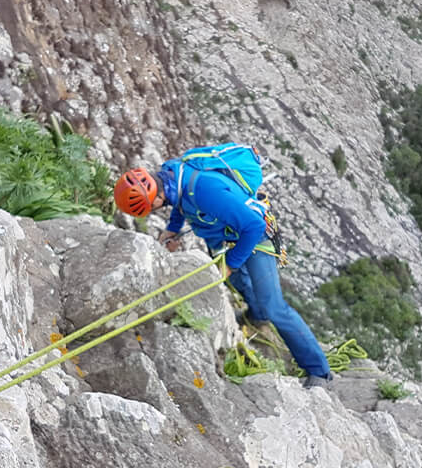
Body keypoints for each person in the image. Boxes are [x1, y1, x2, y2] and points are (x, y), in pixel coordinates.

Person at [113, 161, 334, 388]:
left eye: (154, 207)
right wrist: (172, 229)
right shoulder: (171, 173)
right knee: (238, 281)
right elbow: (177, 201)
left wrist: (230, 263)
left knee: (274, 306)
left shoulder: (205, 191)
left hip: (256, 236)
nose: (156, 209)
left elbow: (254, 226)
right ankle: (257, 316)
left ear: (157, 197)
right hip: (226, 235)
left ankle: (320, 371)